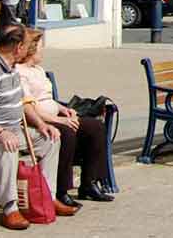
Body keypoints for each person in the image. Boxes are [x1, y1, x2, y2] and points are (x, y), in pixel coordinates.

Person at [0, 25, 77, 229]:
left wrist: (41, 124)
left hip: (13, 128)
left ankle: (46, 197)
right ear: (18, 47)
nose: (29, 51)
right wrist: (1, 132)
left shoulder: (11, 68)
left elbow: (22, 103)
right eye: (27, 46)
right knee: (8, 145)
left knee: (50, 139)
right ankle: (10, 208)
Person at [18, 29, 112, 204]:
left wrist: (64, 109)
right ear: (31, 49)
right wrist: (59, 120)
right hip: (38, 121)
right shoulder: (19, 72)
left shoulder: (38, 69)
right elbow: (28, 107)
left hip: (55, 115)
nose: (43, 50)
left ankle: (89, 183)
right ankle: (61, 190)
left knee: (95, 127)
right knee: (66, 133)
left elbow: (48, 98)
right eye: (40, 47)